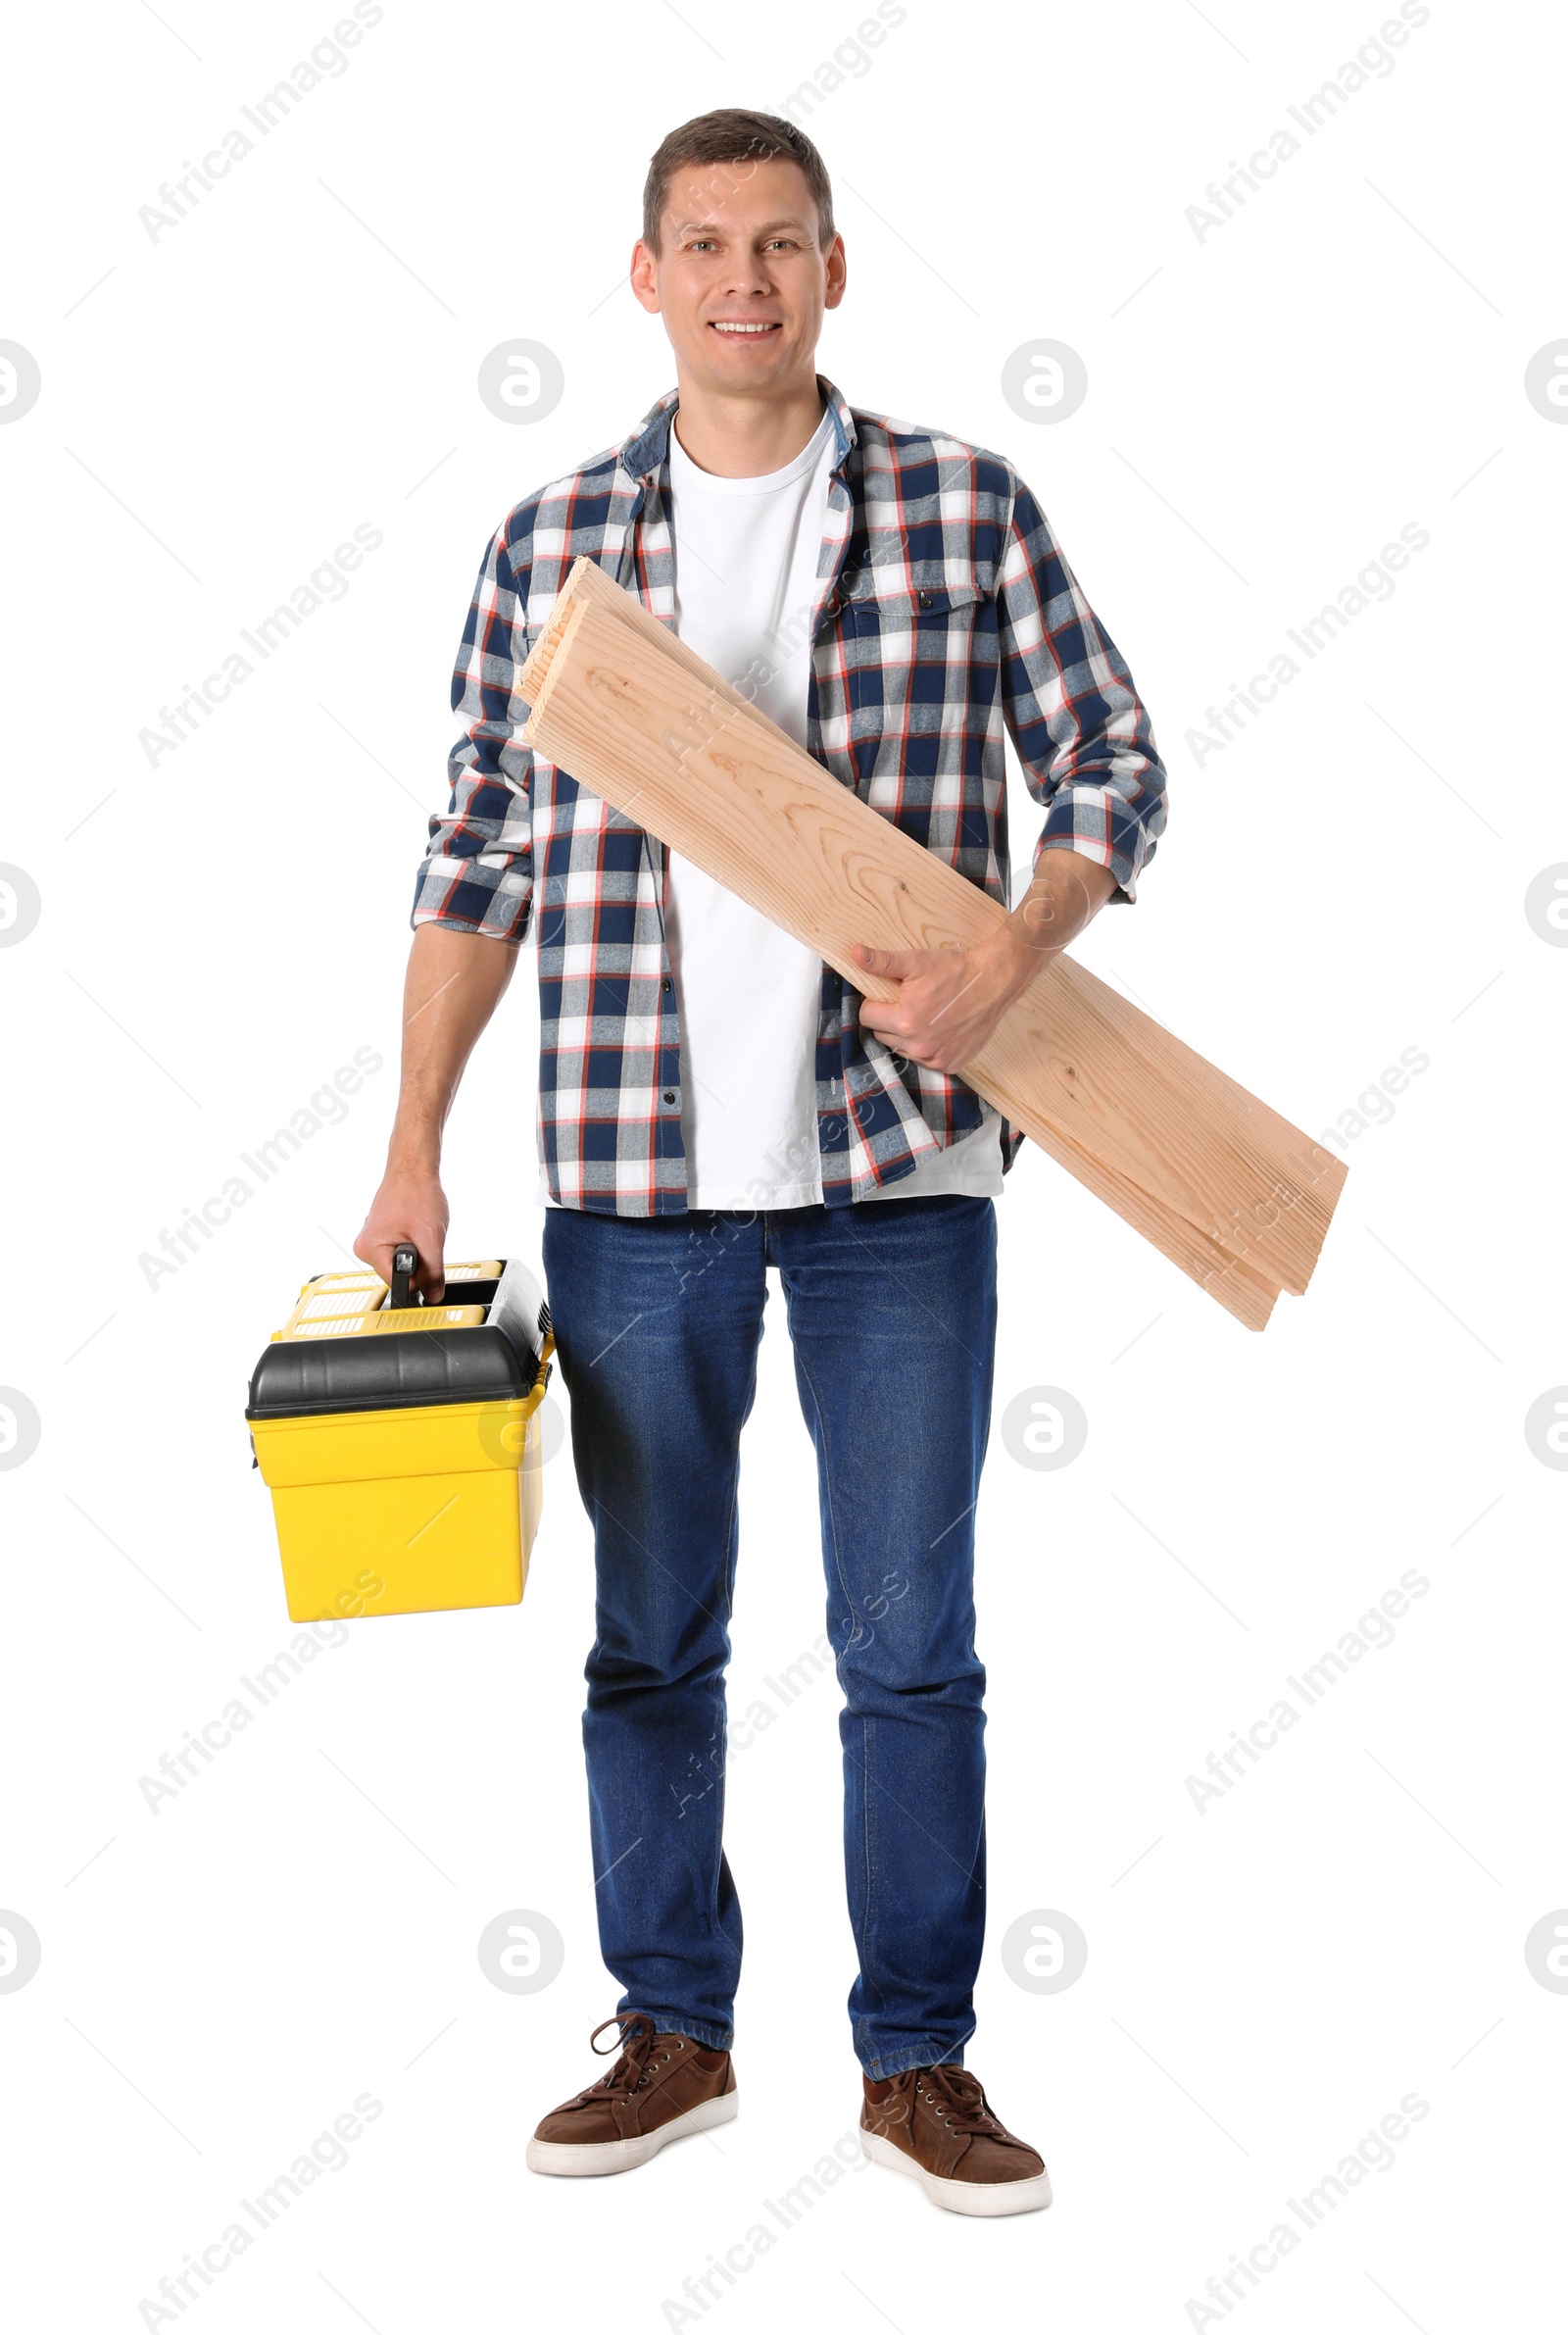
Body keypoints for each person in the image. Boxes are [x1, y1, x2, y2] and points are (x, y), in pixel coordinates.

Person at [356, 106, 1167, 2217]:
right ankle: (675, 2035)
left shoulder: (957, 507)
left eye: (781, 243)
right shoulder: (552, 545)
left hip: (900, 1179)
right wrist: (411, 1151)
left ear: (832, 268)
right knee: (649, 1639)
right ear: (644, 276)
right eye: (702, 244)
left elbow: (1109, 759)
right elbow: (472, 858)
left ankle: (917, 2065)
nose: (742, 279)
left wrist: (1013, 946)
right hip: (633, 1187)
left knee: (909, 1644)